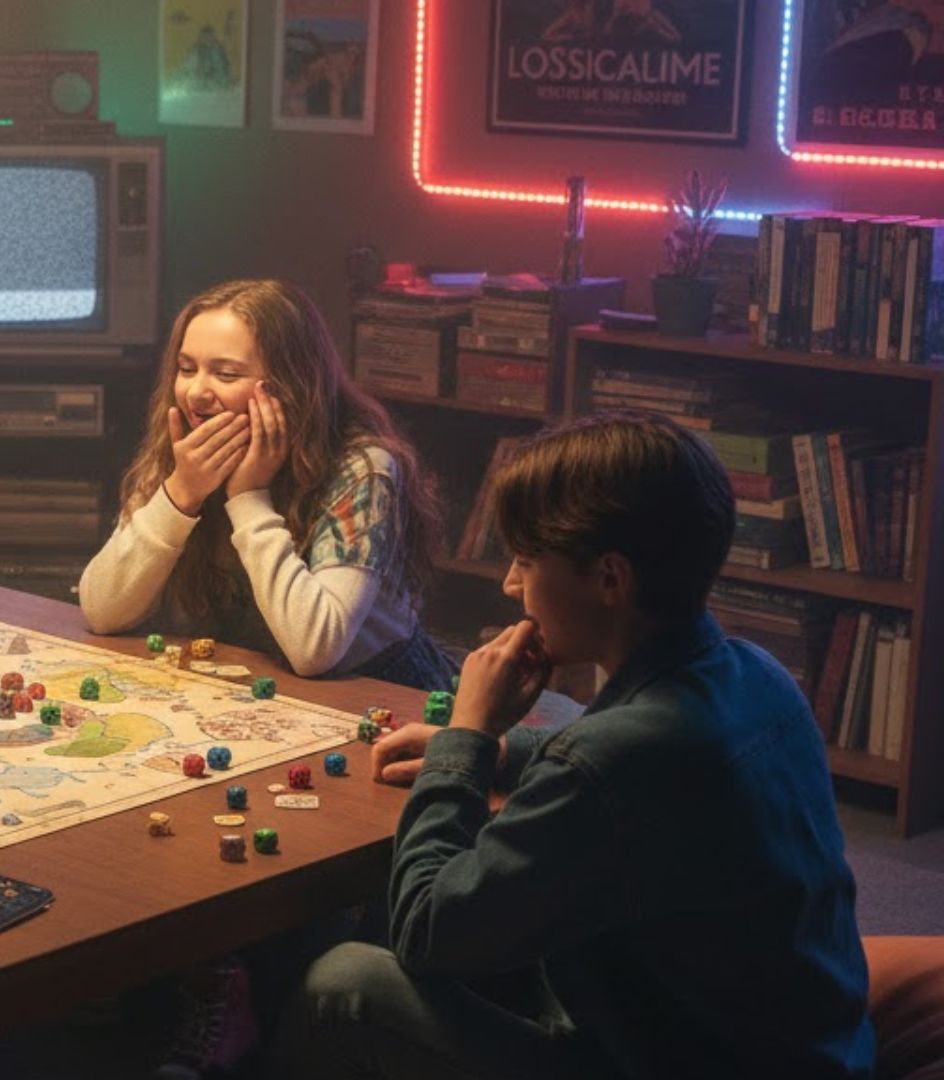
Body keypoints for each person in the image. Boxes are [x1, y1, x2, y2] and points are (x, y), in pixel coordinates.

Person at [267, 412, 874, 1079]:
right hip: (804, 1050)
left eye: (526, 560)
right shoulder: (757, 673)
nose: (509, 584)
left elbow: (424, 927)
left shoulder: (609, 767)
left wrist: (469, 735)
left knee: (345, 984)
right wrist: (497, 753)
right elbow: (623, 756)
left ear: (611, 580)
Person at [79, 278, 455, 690]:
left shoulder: (363, 469)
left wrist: (249, 499)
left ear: (289, 386)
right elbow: (101, 610)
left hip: (374, 689)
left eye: (225, 373)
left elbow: (316, 649)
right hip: (250, 685)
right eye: (186, 369)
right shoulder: (182, 451)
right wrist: (180, 494)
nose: (196, 392)